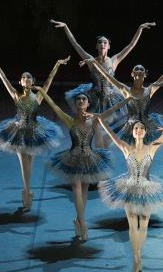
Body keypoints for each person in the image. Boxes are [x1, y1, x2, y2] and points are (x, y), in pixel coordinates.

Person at [0, 55, 69, 211]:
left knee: (29, 163)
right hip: (19, 132)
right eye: (23, 77)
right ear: (20, 82)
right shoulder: (16, 95)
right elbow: (4, 80)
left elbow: (48, 80)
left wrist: (57, 64)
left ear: (32, 81)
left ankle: (28, 192)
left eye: (28, 77)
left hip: (35, 132)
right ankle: (27, 192)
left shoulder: (38, 96)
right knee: (24, 162)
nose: (26, 79)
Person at [96, 117, 163, 272]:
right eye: (136, 128)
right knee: (133, 225)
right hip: (129, 189)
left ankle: (139, 253)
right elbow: (111, 134)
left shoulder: (152, 147)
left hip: (148, 189)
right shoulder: (126, 147)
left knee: (144, 225)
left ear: (145, 132)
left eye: (141, 128)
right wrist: (100, 120)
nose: (139, 130)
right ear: (133, 133)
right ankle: (136, 258)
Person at [51, 19, 155, 146]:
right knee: (96, 127)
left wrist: (140, 28)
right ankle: (98, 148)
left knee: (121, 123)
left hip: (111, 98)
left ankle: (108, 143)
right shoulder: (90, 60)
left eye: (105, 42)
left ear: (109, 46)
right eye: (99, 42)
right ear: (96, 46)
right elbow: (76, 44)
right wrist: (66, 27)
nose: (102, 44)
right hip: (95, 99)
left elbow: (131, 45)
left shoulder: (114, 60)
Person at [36, 88, 112, 241]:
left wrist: (128, 99)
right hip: (72, 158)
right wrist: (42, 92)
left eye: (84, 99)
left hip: (89, 158)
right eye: (78, 99)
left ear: (88, 103)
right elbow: (54, 106)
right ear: (76, 103)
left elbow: (112, 110)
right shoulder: (70, 120)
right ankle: (83, 223)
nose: (81, 101)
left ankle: (78, 220)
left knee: (84, 191)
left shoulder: (93, 120)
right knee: (76, 187)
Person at [83, 56, 163, 144]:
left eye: (141, 69)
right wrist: (95, 62)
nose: (139, 70)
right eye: (136, 69)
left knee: (147, 149)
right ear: (132, 74)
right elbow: (107, 75)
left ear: (145, 74)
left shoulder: (150, 90)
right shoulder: (126, 90)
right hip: (130, 127)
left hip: (147, 126)